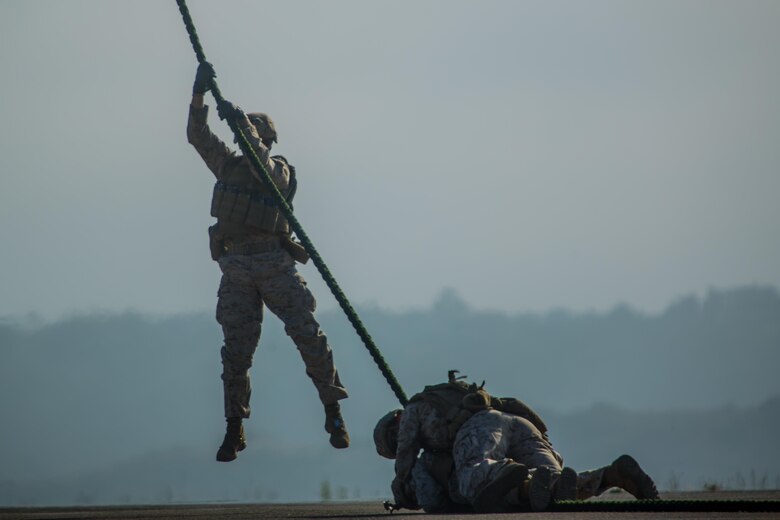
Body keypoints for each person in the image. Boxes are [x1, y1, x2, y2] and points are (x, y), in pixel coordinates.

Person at [187, 61, 349, 462]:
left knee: (308, 336)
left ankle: (333, 411)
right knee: (236, 353)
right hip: (237, 269)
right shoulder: (228, 165)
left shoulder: (279, 170)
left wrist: (243, 123)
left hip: (275, 265)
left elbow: (263, 165)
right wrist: (198, 97)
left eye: (255, 135)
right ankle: (234, 427)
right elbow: (197, 136)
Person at [374, 372, 659, 513]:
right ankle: (612, 475)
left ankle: (511, 476)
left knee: (474, 479)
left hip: (482, 428)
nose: (397, 440)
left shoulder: (414, 410)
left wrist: (401, 495)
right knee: (555, 490)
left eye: (392, 438)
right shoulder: (446, 403)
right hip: (515, 422)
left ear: (395, 422)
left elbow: (407, 461)